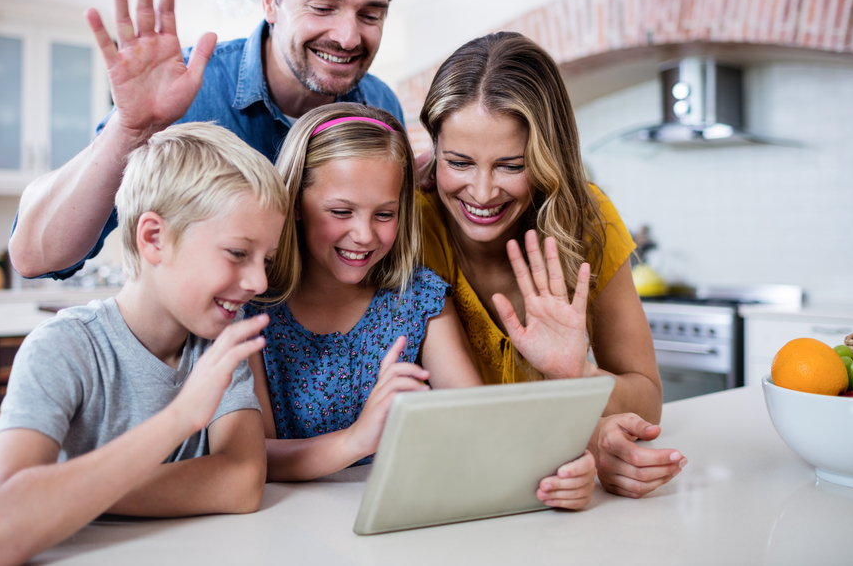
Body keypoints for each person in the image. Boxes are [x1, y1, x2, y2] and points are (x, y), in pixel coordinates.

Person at [0, 123, 288, 563]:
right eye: (238, 254)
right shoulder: (63, 348)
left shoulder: (218, 340)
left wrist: (61, 503)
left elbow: (242, 481)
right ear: (153, 239)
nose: (259, 280)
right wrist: (182, 417)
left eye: (267, 259)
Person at [8, 0, 404, 281]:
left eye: (370, 15)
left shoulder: (381, 108)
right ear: (271, 1)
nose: (348, 37)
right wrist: (129, 130)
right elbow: (35, 257)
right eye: (322, 7)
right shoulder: (183, 94)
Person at [241, 102, 598, 510]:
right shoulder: (253, 310)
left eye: (385, 214)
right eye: (341, 212)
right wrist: (355, 440)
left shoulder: (418, 301)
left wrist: (563, 465)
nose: (363, 235)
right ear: (296, 205)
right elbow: (255, 456)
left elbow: (481, 429)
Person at [417, 32, 687, 499]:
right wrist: (584, 432)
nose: (481, 193)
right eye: (458, 162)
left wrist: (575, 377)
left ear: (549, 157)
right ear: (434, 148)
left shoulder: (587, 218)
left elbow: (647, 400)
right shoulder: (410, 225)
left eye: (510, 166)